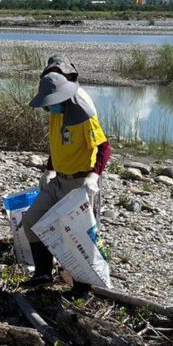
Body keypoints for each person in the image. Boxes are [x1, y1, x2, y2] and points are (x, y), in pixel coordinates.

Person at [22, 70, 112, 292]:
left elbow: (104, 147)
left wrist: (94, 176)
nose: (49, 108)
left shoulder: (83, 113)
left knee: (77, 235)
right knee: (31, 222)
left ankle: (82, 286)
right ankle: (43, 274)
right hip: (58, 181)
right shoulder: (55, 113)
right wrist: (49, 170)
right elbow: (57, 145)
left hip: (78, 184)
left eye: (52, 104)